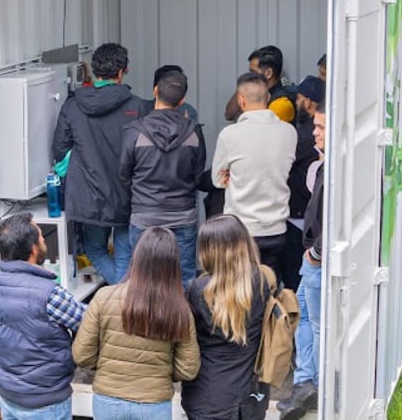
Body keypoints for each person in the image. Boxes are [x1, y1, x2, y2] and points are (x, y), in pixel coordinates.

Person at [72, 227, 201, 418]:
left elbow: (82, 355)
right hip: (154, 403)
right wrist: (160, 373)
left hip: (108, 399)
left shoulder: (104, 297)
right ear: (173, 264)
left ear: (136, 257)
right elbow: (188, 368)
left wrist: (108, 367)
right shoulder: (180, 309)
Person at [52, 42, 150, 285]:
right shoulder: (138, 107)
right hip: (129, 194)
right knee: (126, 257)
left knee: (95, 250)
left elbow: (60, 149)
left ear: (95, 70)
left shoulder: (73, 105)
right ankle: (124, 299)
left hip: (88, 196)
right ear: (122, 72)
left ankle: (120, 298)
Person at [0, 213, 86, 420]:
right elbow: (87, 320)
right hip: (46, 398)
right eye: (42, 238)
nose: (45, 241)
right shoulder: (48, 294)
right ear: (34, 248)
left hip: (8, 392)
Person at [120, 69, 206, 285]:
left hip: (144, 216)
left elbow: (124, 174)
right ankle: (185, 319)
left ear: (155, 91)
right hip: (183, 216)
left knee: (141, 280)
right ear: (183, 100)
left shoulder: (135, 131)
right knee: (185, 279)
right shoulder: (194, 132)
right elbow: (197, 174)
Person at [182, 215, 271, 420]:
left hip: (205, 397)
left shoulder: (198, 290)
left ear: (208, 250)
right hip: (248, 397)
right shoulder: (260, 283)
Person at [211, 73, 296, 285]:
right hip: (276, 229)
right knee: (269, 289)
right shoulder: (289, 132)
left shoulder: (230, 135)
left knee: (239, 291)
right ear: (268, 98)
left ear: (241, 100)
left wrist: (235, 175)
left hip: (241, 230)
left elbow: (217, 180)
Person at [280, 103, 327, 420]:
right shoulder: (324, 166)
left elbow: (336, 218)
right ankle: (303, 384)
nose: (315, 132)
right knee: (304, 318)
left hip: (316, 259)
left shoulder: (338, 172)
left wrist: (315, 254)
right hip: (309, 258)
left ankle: (318, 386)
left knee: (319, 324)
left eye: (322, 127)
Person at [282, 75, 325, 292]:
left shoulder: (301, 136)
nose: (296, 101)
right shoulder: (321, 136)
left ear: (308, 102)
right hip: (314, 222)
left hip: (298, 220)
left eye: (298, 97)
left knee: (295, 284)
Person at [225, 46, 295, 124]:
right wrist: (244, 86)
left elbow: (258, 131)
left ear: (268, 73)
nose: (250, 76)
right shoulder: (255, 92)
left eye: (253, 72)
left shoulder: (281, 103)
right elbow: (229, 114)